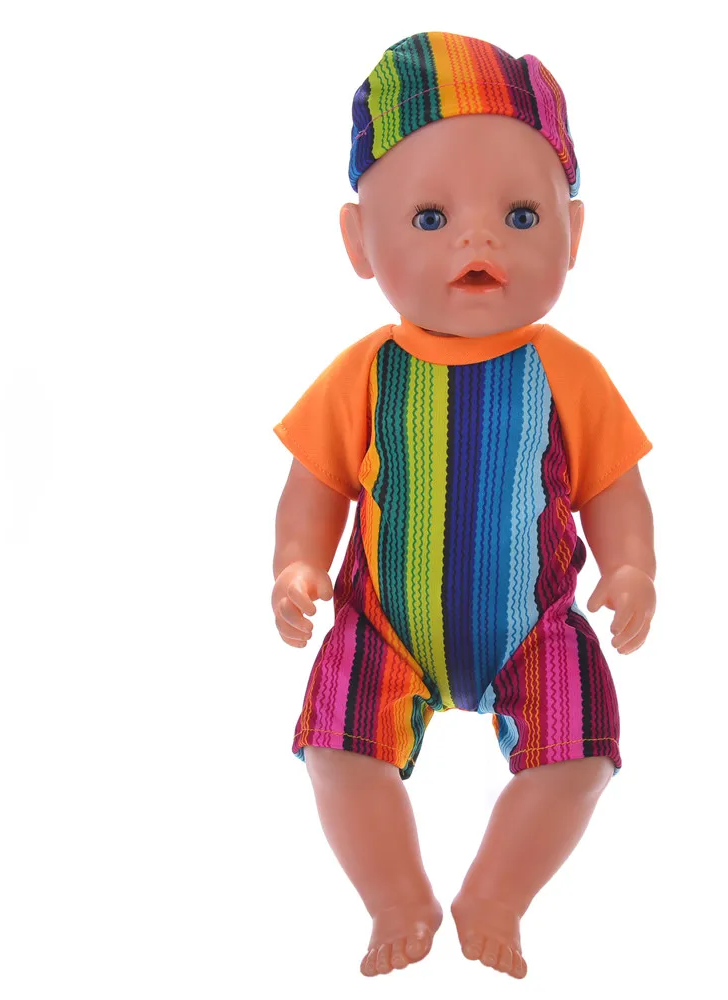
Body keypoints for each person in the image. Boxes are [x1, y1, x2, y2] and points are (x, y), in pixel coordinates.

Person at [270, 31, 657, 979]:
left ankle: (498, 894)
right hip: (383, 627)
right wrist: (296, 564)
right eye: (431, 216)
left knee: (583, 751)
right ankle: (395, 895)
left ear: (574, 232)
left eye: (521, 216)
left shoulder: (567, 373)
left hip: (535, 627)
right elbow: (315, 484)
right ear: (360, 242)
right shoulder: (366, 372)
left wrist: (632, 567)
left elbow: (613, 485)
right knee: (335, 747)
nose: (478, 241)